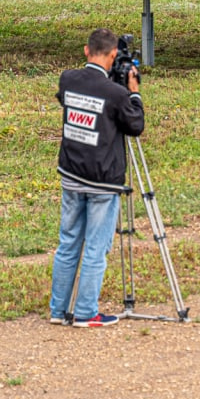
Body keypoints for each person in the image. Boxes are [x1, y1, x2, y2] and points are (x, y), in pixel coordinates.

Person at [48, 28, 145, 327]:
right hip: (102, 181)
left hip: (71, 174)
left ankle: (58, 310)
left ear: (86, 51)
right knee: (95, 248)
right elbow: (135, 124)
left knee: (68, 243)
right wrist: (135, 92)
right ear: (114, 55)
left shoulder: (68, 79)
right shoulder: (116, 94)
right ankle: (87, 312)